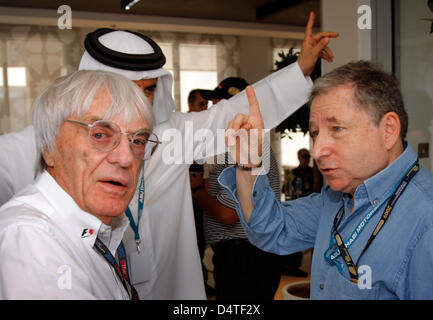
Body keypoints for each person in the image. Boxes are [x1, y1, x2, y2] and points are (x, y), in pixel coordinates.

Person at [0, 12, 338, 299]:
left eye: (148, 90)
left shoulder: (172, 134)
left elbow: (237, 113)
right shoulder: (55, 140)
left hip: (169, 283)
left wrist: (300, 69)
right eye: (102, 135)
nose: (140, 104)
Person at [219, 60, 433, 299]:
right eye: (316, 133)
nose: (318, 150)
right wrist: (248, 163)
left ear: (389, 130)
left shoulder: (426, 221)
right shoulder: (334, 200)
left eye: (337, 129)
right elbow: (269, 230)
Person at [0, 70, 157, 299]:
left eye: (138, 140)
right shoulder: (30, 237)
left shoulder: (98, 228)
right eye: (100, 135)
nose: (126, 158)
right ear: (49, 147)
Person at [193, 76, 282, 300]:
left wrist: (195, 190)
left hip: (245, 255)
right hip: (242, 254)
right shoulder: (230, 144)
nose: (213, 111)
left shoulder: (246, 145)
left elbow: (228, 214)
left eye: (220, 105)